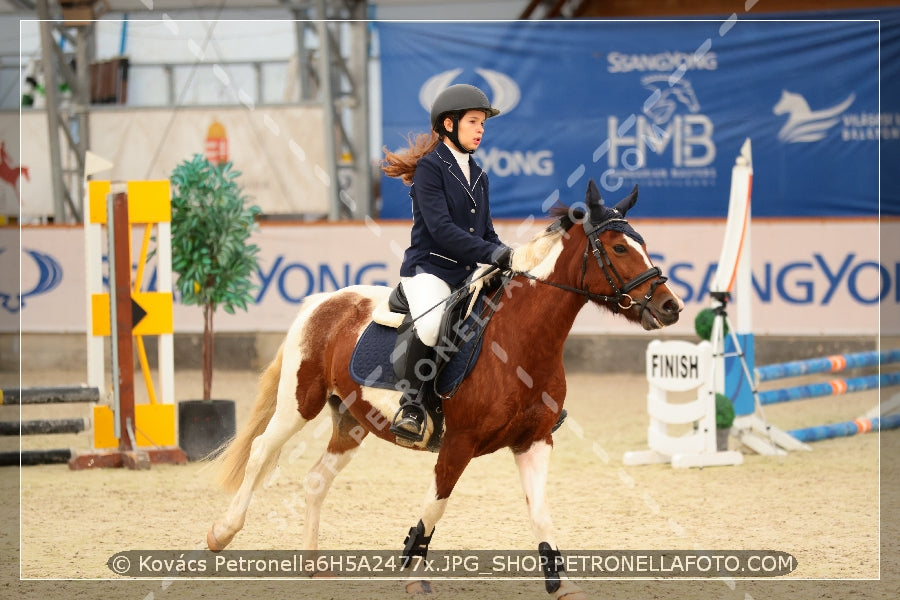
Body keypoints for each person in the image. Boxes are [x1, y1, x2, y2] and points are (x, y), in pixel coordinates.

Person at [381, 83, 514, 442]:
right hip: (430, 268)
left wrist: (506, 254)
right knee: (431, 323)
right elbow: (440, 229)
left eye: (483, 124)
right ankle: (411, 405)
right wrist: (489, 254)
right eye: (473, 122)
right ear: (450, 124)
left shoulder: (480, 176)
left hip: (467, 271)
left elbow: (486, 232)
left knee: (509, 312)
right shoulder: (431, 168)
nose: (480, 130)